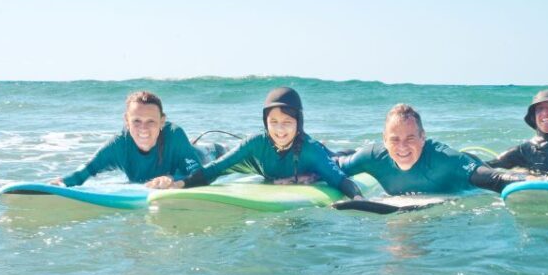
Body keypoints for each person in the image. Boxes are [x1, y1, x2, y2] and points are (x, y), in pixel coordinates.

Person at [171, 87, 363, 199]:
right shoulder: (255, 143)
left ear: (299, 123)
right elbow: (216, 168)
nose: (280, 130)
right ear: (265, 122)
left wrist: (358, 198)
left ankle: (352, 152)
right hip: (285, 169)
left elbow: (339, 180)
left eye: (287, 122)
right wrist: (181, 184)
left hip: (321, 157)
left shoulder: (310, 149)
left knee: (338, 160)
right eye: (274, 122)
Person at [49, 91, 203, 189]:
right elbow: (88, 169)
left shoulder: (175, 135)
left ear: (162, 121)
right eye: (136, 121)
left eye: (151, 121)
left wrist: (172, 178)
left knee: (208, 152)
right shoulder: (119, 145)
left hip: (202, 156)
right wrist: (63, 183)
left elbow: (198, 173)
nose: (143, 128)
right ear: (126, 121)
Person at [338, 104, 485, 195]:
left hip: (470, 167)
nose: (402, 147)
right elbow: (336, 164)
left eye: (410, 138)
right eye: (395, 139)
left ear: (422, 137)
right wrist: (315, 174)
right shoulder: (373, 157)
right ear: (384, 140)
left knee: (496, 164)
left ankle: (501, 161)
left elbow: (493, 179)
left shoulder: (446, 160)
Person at [469, 89, 548, 192]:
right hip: (538, 196)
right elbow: (481, 168)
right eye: (540, 109)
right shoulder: (523, 151)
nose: (545, 113)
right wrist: (520, 177)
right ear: (533, 116)